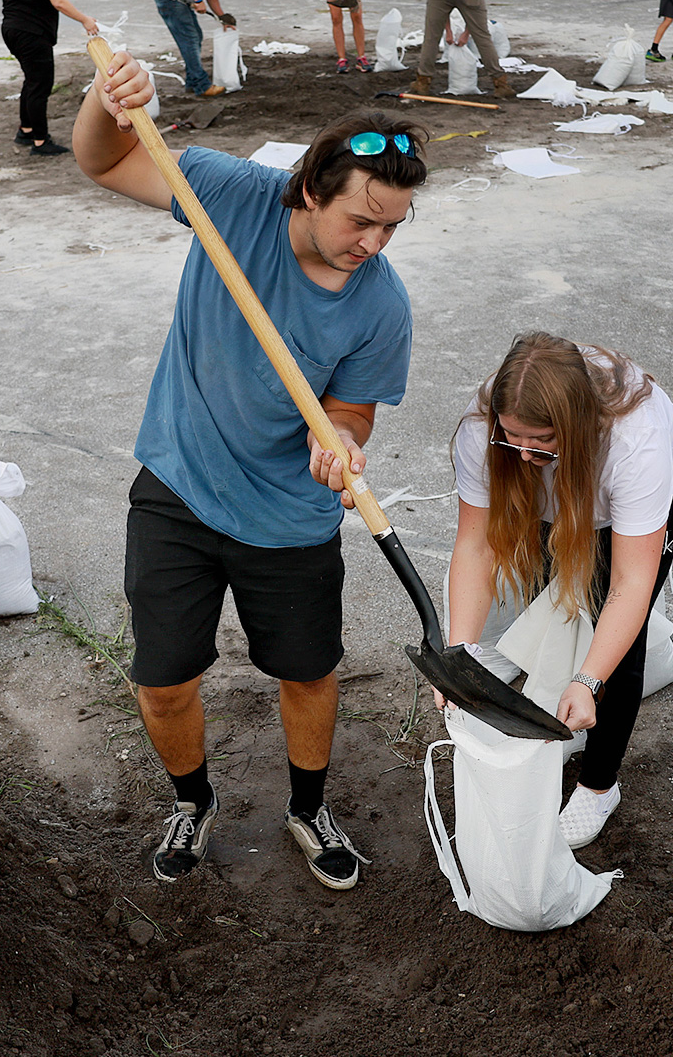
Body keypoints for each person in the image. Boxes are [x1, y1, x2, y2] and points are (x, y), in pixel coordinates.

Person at [72, 54, 425, 890]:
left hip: (290, 515)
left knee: (308, 672)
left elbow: (357, 406)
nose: (372, 244)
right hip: (180, 483)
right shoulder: (232, 196)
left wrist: (337, 433)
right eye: (362, 219)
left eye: (392, 227)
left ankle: (308, 807)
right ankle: (193, 802)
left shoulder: (381, 304)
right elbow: (101, 159)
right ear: (309, 189)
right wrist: (101, 98)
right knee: (161, 681)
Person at [445, 334, 673, 848]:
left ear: (576, 427)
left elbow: (631, 583)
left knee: (617, 634)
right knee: (549, 596)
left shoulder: (634, 443)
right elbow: (476, 548)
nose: (525, 453)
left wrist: (587, 677)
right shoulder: (482, 429)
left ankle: (600, 784)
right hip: (556, 498)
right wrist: (459, 658)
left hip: (627, 503)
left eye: (541, 441)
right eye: (512, 437)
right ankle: (561, 709)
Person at [1, 0, 98, 155]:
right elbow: (59, 2)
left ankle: (25, 131)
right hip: (32, 34)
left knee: (31, 81)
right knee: (40, 86)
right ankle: (40, 142)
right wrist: (85, 19)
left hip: (11, 29)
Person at [153, 0, 256, 98]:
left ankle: (192, 81)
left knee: (195, 37)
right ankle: (201, 86)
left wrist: (222, 17)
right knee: (190, 39)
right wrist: (198, 0)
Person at [414, 0, 510, 99]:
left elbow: (442, 3)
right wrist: (467, 33)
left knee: (431, 36)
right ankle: (501, 84)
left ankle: (422, 83)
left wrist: (448, 32)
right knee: (483, 37)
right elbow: (477, 5)